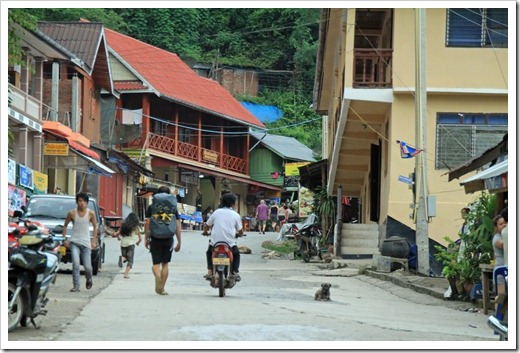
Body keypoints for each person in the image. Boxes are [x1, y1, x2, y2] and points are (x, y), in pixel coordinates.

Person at [144, 186, 181, 295]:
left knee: (156, 263)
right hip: (168, 238)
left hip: (155, 237)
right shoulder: (173, 208)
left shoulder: (151, 207)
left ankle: (157, 276)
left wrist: (146, 238)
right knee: (165, 264)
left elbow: (147, 223)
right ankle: (162, 288)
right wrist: (179, 241)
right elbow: (178, 226)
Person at [202, 193, 243, 281]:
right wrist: (240, 234)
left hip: (215, 242)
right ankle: (235, 272)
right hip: (229, 243)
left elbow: (207, 225)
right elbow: (240, 230)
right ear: (233, 203)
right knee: (236, 254)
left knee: (209, 252)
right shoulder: (235, 215)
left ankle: (209, 270)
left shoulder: (216, 212)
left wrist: (205, 232)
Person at [62, 192, 98, 292]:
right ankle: (76, 286)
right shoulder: (72, 213)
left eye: (84, 201)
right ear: (77, 202)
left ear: (87, 203)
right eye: (80, 201)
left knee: (88, 267)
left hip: (86, 243)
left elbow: (95, 227)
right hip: (74, 242)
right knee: (76, 263)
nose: (82, 203)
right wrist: (64, 239)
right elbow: (65, 225)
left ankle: (89, 279)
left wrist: (93, 241)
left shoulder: (91, 213)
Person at [113, 212, 142, 279]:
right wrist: (137, 242)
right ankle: (126, 274)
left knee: (125, 257)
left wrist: (117, 237)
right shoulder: (136, 227)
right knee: (130, 260)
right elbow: (140, 238)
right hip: (131, 244)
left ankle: (122, 259)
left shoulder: (123, 225)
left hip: (123, 244)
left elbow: (118, 233)